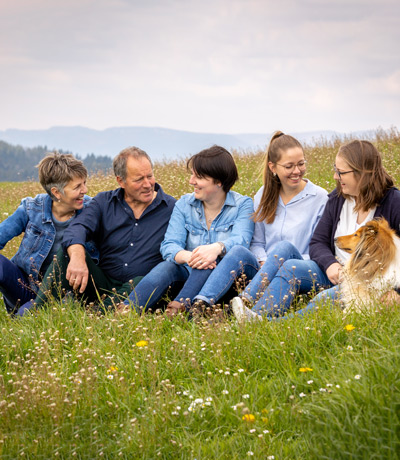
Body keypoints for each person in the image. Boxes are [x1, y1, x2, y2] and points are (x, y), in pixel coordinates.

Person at [232, 139, 400, 322]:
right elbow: (318, 242)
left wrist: (397, 292)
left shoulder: (394, 203)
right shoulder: (338, 198)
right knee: (290, 267)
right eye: (335, 170)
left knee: (322, 299)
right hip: (336, 273)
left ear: (363, 174)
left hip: (369, 280)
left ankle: (269, 325)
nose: (336, 177)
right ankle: (254, 313)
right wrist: (330, 264)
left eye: (341, 172)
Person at [19, 146, 176, 314]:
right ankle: (37, 311)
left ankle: (97, 315)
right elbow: (77, 228)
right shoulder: (104, 202)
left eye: (150, 176)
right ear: (121, 181)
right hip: (101, 283)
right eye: (139, 179)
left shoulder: (172, 208)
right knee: (67, 253)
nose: (147, 184)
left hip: (142, 290)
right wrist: (78, 257)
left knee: (142, 280)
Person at [188, 132, 327, 318]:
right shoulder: (264, 195)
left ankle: (241, 305)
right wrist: (264, 262)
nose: (297, 171)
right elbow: (257, 242)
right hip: (264, 270)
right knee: (238, 250)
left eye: (301, 164)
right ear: (273, 167)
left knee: (283, 248)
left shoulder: (319, 198)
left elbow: (319, 248)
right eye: (289, 166)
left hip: (300, 266)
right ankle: (201, 304)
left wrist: (276, 263)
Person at [118, 145, 255, 317]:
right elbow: (169, 244)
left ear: (219, 181)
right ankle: (127, 310)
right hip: (189, 274)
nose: (191, 181)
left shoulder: (242, 205)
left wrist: (215, 249)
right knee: (167, 266)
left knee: (209, 261)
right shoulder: (184, 204)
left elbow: (241, 240)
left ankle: (178, 310)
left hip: (227, 279)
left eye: (199, 177)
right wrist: (190, 257)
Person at [0, 152, 96, 314]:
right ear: (56, 192)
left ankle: (25, 314)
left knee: (25, 315)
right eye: (77, 186)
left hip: (62, 293)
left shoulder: (92, 210)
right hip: (24, 285)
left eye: (84, 183)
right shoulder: (32, 208)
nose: (84, 190)